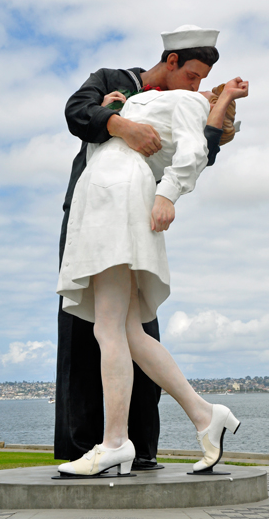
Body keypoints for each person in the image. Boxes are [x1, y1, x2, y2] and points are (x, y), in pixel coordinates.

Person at [56, 73, 248, 476]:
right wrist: (114, 108)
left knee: (108, 328)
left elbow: (197, 149)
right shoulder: (153, 103)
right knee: (128, 331)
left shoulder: (189, 103)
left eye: (204, 83)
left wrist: (167, 195)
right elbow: (96, 124)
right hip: (109, 192)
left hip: (116, 194)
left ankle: (114, 442)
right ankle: (204, 414)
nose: (200, 84)